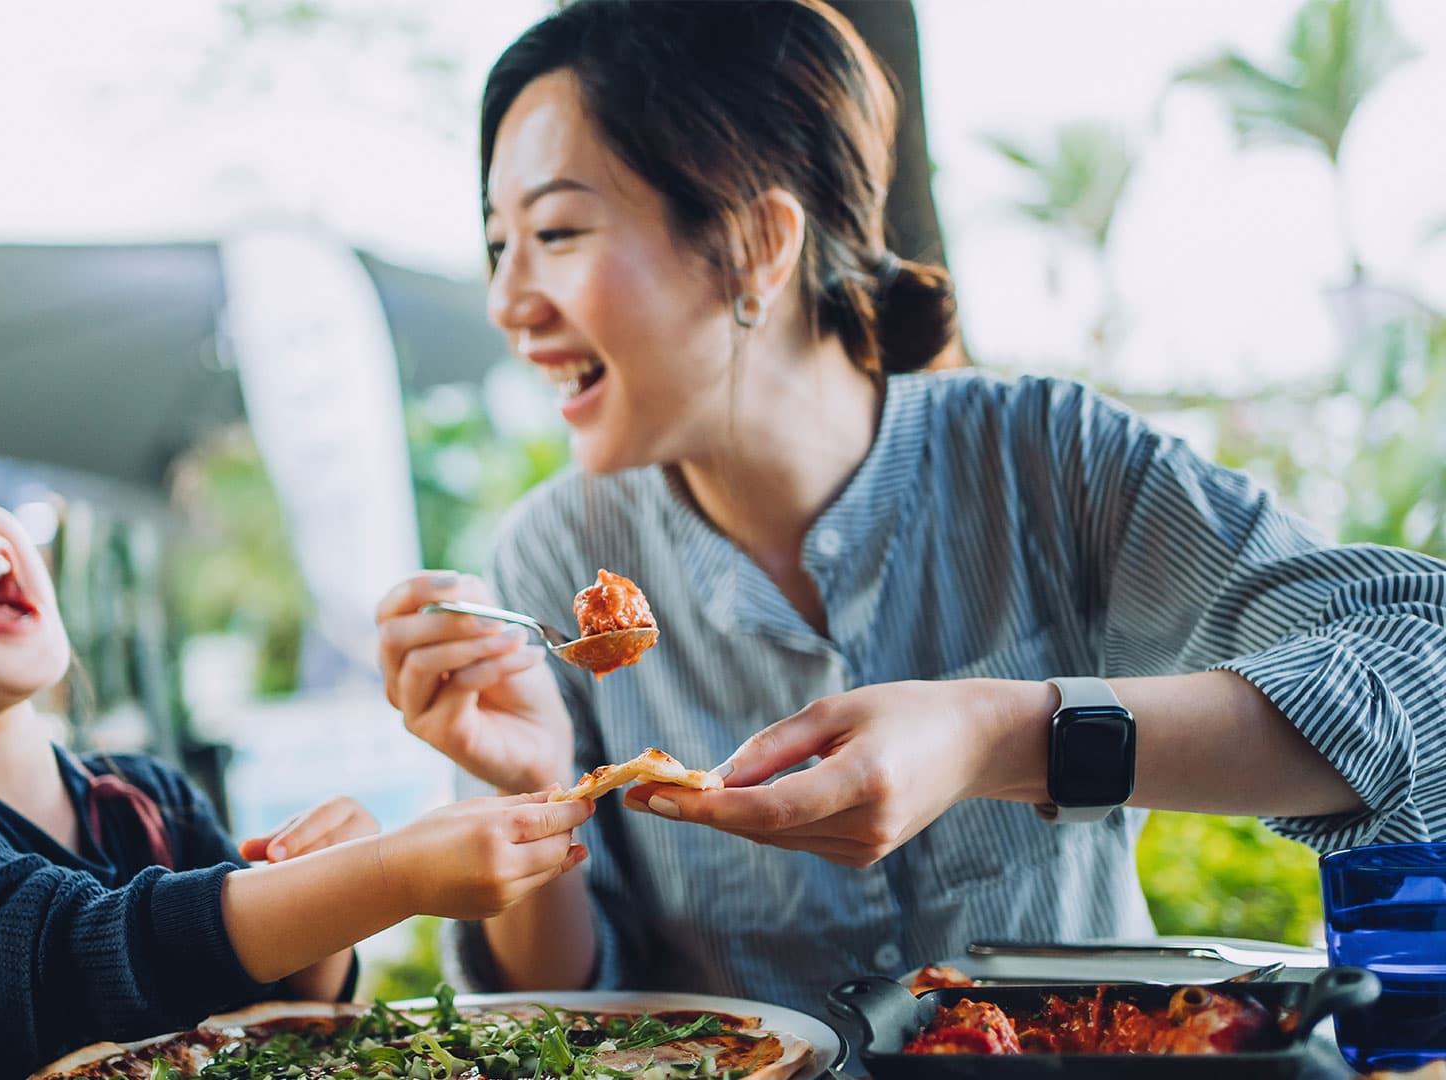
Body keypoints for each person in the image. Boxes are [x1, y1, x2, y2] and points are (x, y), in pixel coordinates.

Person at [375, 0, 1446, 1011]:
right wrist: (533, 795)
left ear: (758, 243)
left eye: (558, 233)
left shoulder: (1047, 458)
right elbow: (576, 1003)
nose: (507, 304)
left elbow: (1421, 663)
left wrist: (1005, 734)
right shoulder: (551, 558)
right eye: (498, 246)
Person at [0, 405, 592, 1079]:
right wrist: (386, 877)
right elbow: (86, 952)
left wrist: (319, 924)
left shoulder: (146, 800)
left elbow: (274, 1024)